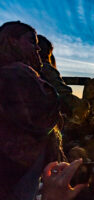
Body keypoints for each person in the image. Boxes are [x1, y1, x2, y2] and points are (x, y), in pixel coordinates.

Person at [0, 21, 64, 199]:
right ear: (13, 41)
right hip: (20, 167)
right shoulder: (17, 74)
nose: (37, 49)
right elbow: (48, 105)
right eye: (31, 42)